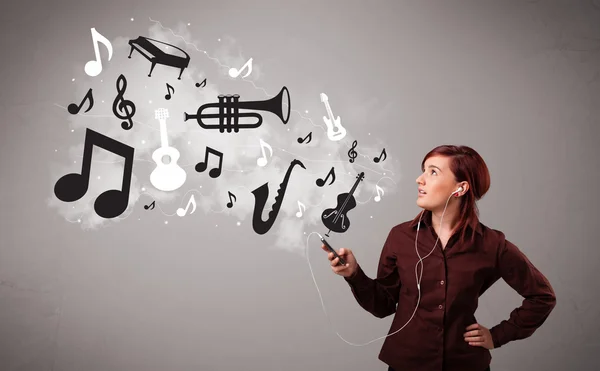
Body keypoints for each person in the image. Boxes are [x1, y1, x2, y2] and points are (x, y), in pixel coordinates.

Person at [321, 145, 557, 371]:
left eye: (432, 172)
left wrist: (497, 335)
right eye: (423, 170)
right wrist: (354, 275)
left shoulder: (492, 244)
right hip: (406, 364)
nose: (419, 179)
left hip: (465, 365)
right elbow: (383, 306)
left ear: (460, 188)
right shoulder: (400, 236)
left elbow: (542, 297)